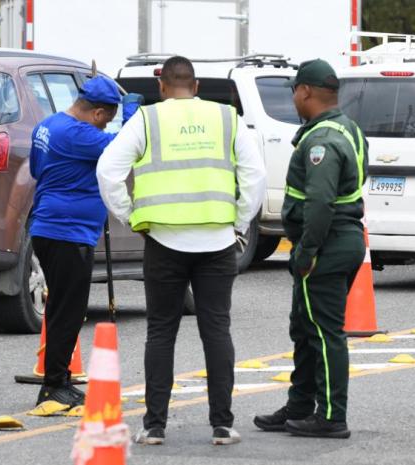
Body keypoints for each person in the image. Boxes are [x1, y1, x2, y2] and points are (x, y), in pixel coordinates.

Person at [96, 56, 265, 446]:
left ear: (162, 87)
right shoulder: (226, 117)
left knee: (160, 332)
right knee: (216, 331)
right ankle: (222, 425)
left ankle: (155, 426)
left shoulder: (148, 119)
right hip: (217, 242)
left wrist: (131, 216)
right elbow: (254, 175)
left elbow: (107, 170)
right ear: (197, 86)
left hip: (164, 241)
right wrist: (238, 223)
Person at [253, 59, 366, 439]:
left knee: (323, 332)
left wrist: (306, 252)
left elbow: (320, 202)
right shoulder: (348, 128)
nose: (293, 99)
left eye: (294, 92)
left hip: (326, 245)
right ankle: (299, 405)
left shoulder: (321, 141)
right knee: (305, 327)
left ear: (305, 91)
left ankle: (332, 416)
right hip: (342, 240)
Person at [29, 76, 141, 409]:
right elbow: (124, 149)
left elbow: (36, 170)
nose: (105, 126)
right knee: (68, 310)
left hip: (50, 226)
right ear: (97, 112)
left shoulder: (48, 125)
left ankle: (58, 379)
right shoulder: (78, 134)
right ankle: (55, 385)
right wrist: (132, 117)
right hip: (67, 232)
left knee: (60, 307)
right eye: (106, 120)